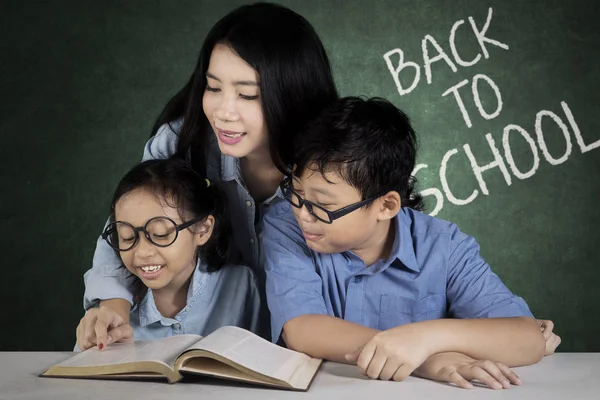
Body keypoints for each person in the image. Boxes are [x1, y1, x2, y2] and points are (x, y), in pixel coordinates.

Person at [76, 2, 338, 349]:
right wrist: (112, 304)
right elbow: (129, 225)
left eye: (247, 94)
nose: (223, 112)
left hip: (310, 342)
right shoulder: (180, 142)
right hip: (205, 337)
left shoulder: (334, 163)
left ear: (293, 96)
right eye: (213, 88)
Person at [263, 96, 557, 390]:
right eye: (296, 191)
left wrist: (426, 340)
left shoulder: (445, 245)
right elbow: (302, 328)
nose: (302, 213)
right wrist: (424, 361)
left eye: (323, 204)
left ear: (386, 206)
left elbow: (527, 339)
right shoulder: (285, 225)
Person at [77, 158, 264, 351]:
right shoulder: (109, 311)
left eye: (161, 234)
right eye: (127, 237)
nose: (142, 252)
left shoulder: (240, 285)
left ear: (203, 229)